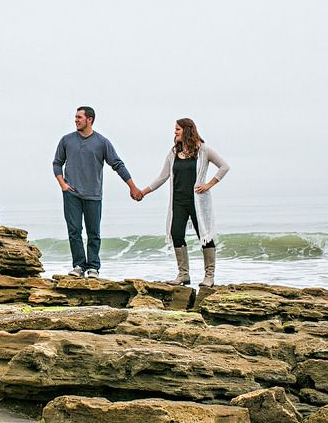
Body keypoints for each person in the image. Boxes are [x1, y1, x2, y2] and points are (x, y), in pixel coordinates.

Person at [136, 118, 229, 287]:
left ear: (187, 130)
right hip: (178, 201)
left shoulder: (203, 150)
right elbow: (163, 177)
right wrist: (143, 192)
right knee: (176, 234)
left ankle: (209, 276)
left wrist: (208, 185)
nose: (175, 132)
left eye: (177, 129)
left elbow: (224, 166)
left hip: (197, 202)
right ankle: (183, 275)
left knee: (205, 236)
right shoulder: (173, 153)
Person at [53, 106, 143, 278]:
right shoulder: (66, 140)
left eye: (79, 117)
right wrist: (62, 184)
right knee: (74, 231)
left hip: (93, 194)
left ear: (90, 119)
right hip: (71, 194)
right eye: (75, 117)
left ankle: (93, 267)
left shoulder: (102, 142)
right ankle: (79, 266)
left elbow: (117, 164)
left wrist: (132, 186)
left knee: (94, 233)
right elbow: (57, 163)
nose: (76, 120)